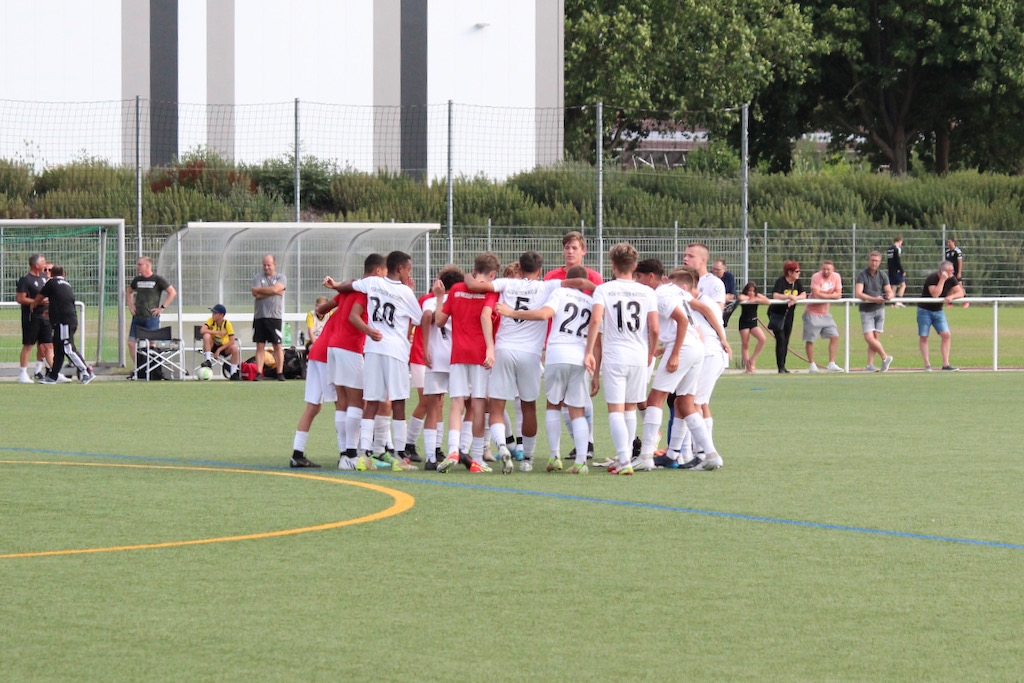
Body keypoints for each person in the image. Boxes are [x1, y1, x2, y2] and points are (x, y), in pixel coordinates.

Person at [496, 265, 596, 474]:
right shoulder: (591, 301)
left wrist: (512, 312)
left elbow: (544, 314)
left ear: (567, 280)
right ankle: (581, 462)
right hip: (580, 356)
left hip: (558, 353)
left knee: (553, 405)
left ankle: (554, 457)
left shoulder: (560, 293)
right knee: (577, 410)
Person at [332, 251, 422, 469]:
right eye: (408, 270)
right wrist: (409, 291)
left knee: (372, 400)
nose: (409, 274)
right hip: (395, 351)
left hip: (373, 348)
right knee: (398, 401)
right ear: (400, 269)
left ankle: (364, 455)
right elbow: (418, 319)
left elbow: (351, 284)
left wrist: (335, 285)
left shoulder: (372, 282)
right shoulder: (405, 291)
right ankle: (399, 456)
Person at [583, 242, 659, 476]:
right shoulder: (647, 292)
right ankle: (625, 457)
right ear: (634, 266)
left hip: (615, 355)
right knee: (630, 408)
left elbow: (596, 320)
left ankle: (624, 459)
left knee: (615, 410)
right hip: (638, 356)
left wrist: (589, 351)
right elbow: (654, 328)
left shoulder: (604, 289)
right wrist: (651, 352)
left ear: (613, 265)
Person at [434, 252, 500, 473]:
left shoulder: (456, 289)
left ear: (474, 269)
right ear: (493, 274)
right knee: (479, 403)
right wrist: (490, 347)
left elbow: (439, 320)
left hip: (458, 353)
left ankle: (453, 450)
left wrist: (439, 298)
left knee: (457, 402)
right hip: (480, 354)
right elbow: (486, 316)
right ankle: (477, 458)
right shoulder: (491, 292)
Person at [33, 265, 94, 384]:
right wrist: (51, 312)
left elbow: (40, 297)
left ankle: (87, 372)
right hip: (68, 320)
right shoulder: (67, 285)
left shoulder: (51, 283)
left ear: (52, 274)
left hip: (64, 322)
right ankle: (52, 377)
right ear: (63, 274)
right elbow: (63, 302)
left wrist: (33, 305)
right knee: (58, 349)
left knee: (68, 348)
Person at [128, 256, 176, 376]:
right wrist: (131, 305)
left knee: (151, 345)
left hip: (151, 318)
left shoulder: (157, 279)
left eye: (140, 264)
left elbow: (172, 292)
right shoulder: (137, 280)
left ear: (147, 266)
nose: (137, 267)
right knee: (131, 343)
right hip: (138, 317)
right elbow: (129, 291)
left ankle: (152, 370)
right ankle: (138, 369)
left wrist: (162, 307)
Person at [917, 260, 966, 371]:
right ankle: (927, 365)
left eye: (952, 271)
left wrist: (951, 297)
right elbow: (935, 294)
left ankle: (946, 364)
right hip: (924, 310)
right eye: (950, 271)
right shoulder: (932, 278)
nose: (952, 273)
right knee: (924, 336)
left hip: (938, 311)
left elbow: (961, 293)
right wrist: (942, 280)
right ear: (943, 271)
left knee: (946, 335)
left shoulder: (952, 279)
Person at [15, 254, 54, 383]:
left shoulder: (44, 277)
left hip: (45, 316)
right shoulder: (25, 279)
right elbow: (20, 298)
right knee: (28, 345)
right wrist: (37, 302)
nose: (45, 265)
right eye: (43, 263)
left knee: (48, 345)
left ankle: (54, 373)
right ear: (36, 265)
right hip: (31, 317)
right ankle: (23, 374)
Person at [854, 251, 895, 372]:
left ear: (880, 262)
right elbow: (858, 293)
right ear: (868, 261)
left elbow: (889, 291)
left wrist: (889, 296)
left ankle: (870, 365)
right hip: (866, 310)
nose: (874, 263)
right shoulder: (862, 275)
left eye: (876, 261)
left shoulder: (882, 275)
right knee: (869, 337)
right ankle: (885, 357)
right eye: (872, 260)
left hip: (879, 309)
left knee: (875, 338)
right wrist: (874, 299)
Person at [803, 260, 844, 373]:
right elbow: (816, 294)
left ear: (833, 269)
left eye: (828, 269)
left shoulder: (836, 277)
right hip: (812, 312)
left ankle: (832, 363)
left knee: (835, 336)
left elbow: (839, 294)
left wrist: (827, 296)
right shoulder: (816, 277)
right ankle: (812, 365)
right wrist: (831, 296)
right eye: (824, 269)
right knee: (810, 339)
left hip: (825, 313)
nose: (826, 271)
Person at [251, 254, 287, 381]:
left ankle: (279, 372)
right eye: (264, 265)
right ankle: (259, 373)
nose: (266, 267)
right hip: (260, 316)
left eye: (269, 265)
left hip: (274, 317)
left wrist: (263, 290)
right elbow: (255, 293)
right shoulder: (258, 277)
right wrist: (273, 291)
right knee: (260, 345)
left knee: (277, 345)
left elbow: (277, 288)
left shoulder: (281, 277)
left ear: (274, 265)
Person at [767, 261, 806, 373]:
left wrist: (795, 298)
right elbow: (775, 295)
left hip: (789, 314)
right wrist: (788, 297)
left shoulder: (797, 282)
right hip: (777, 314)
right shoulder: (781, 281)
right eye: (796, 271)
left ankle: (783, 366)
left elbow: (803, 294)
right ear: (789, 272)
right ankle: (780, 367)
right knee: (781, 339)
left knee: (786, 340)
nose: (799, 273)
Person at [199, 304, 241, 379]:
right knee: (206, 336)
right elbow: (202, 330)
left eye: (215, 313)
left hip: (224, 347)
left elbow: (232, 341)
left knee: (235, 348)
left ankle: (233, 373)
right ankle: (208, 360)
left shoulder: (227, 324)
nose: (213, 315)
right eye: (212, 313)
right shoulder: (211, 320)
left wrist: (219, 350)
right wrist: (217, 332)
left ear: (221, 315)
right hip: (212, 346)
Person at [737, 282, 770, 373]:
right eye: (749, 291)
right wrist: (749, 298)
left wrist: (756, 298)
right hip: (744, 322)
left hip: (753, 322)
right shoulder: (744, 296)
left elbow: (767, 301)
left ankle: (752, 359)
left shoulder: (756, 296)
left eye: (753, 291)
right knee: (745, 344)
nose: (751, 292)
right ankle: (748, 368)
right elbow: (740, 298)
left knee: (762, 339)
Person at [945, 237, 968, 307]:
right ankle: (950, 303)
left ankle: (965, 301)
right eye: (947, 242)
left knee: (960, 286)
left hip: (956, 272)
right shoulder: (947, 252)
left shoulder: (957, 251)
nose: (948, 244)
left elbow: (960, 262)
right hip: (950, 273)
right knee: (950, 287)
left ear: (953, 242)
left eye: (949, 242)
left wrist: (959, 272)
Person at [887, 236, 907, 305]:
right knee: (903, 285)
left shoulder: (889, 249)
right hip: (896, 270)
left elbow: (889, 261)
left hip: (891, 270)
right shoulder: (897, 249)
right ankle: (899, 300)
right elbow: (897, 261)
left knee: (894, 286)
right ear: (900, 241)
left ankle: (893, 303)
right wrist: (902, 270)